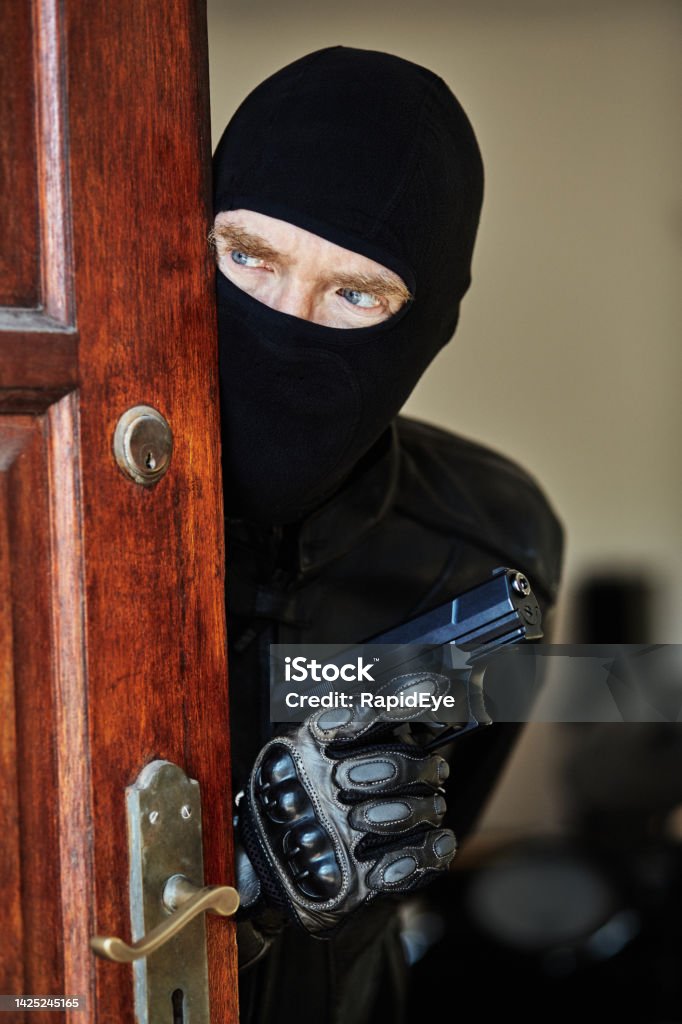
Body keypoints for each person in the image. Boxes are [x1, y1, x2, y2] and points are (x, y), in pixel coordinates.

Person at [211, 46, 564, 1024]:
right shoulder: (42, 496)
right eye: (248, 257)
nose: (288, 325)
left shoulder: (489, 541)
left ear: (426, 323)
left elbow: (426, 852)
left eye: (355, 292)